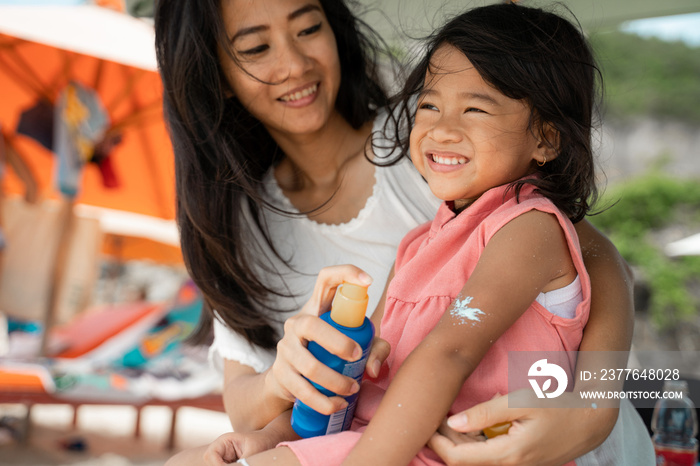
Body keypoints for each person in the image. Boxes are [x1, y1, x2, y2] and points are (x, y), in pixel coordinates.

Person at [155, 1, 648, 464]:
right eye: (256, 48)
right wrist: (274, 420)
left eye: (308, 28)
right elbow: (368, 381)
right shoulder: (410, 230)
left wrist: (593, 405)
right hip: (379, 440)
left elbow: (595, 260)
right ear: (214, 74)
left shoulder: (456, 165)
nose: (294, 63)